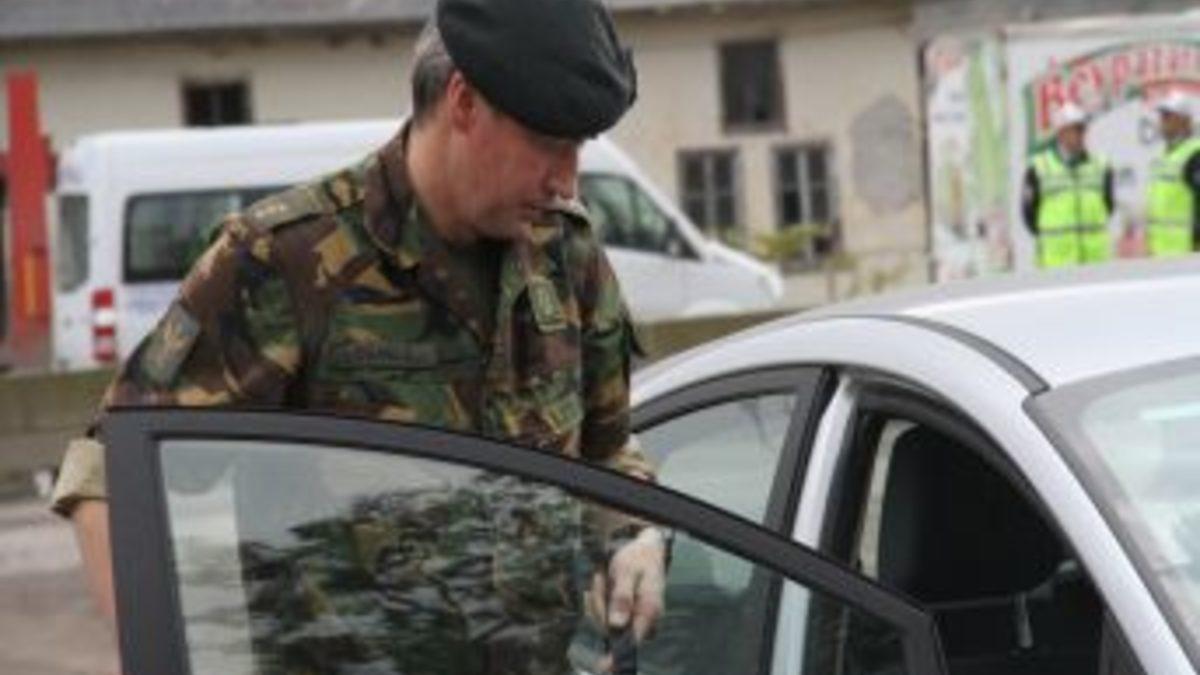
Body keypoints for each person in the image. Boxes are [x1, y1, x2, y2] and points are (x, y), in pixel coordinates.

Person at [49, 0, 667, 670]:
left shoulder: (566, 255)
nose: (567, 180)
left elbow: (607, 449)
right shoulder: (286, 260)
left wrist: (632, 535)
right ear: (464, 102)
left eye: (579, 147)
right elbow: (111, 474)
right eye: (549, 144)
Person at [1021, 102, 1115, 268]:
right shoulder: (1039, 168)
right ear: (1061, 133)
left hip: (1095, 264)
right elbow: (1029, 216)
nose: (1081, 134)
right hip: (1056, 265)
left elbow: (1108, 206)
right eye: (1076, 129)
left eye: (1082, 129)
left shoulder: (1101, 167)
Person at [1145, 90, 1200, 257]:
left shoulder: (1195, 154)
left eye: (1168, 116)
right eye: (1162, 116)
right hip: (1162, 254)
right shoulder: (1166, 156)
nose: (1162, 122)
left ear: (1184, 120)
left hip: (1187, 253)